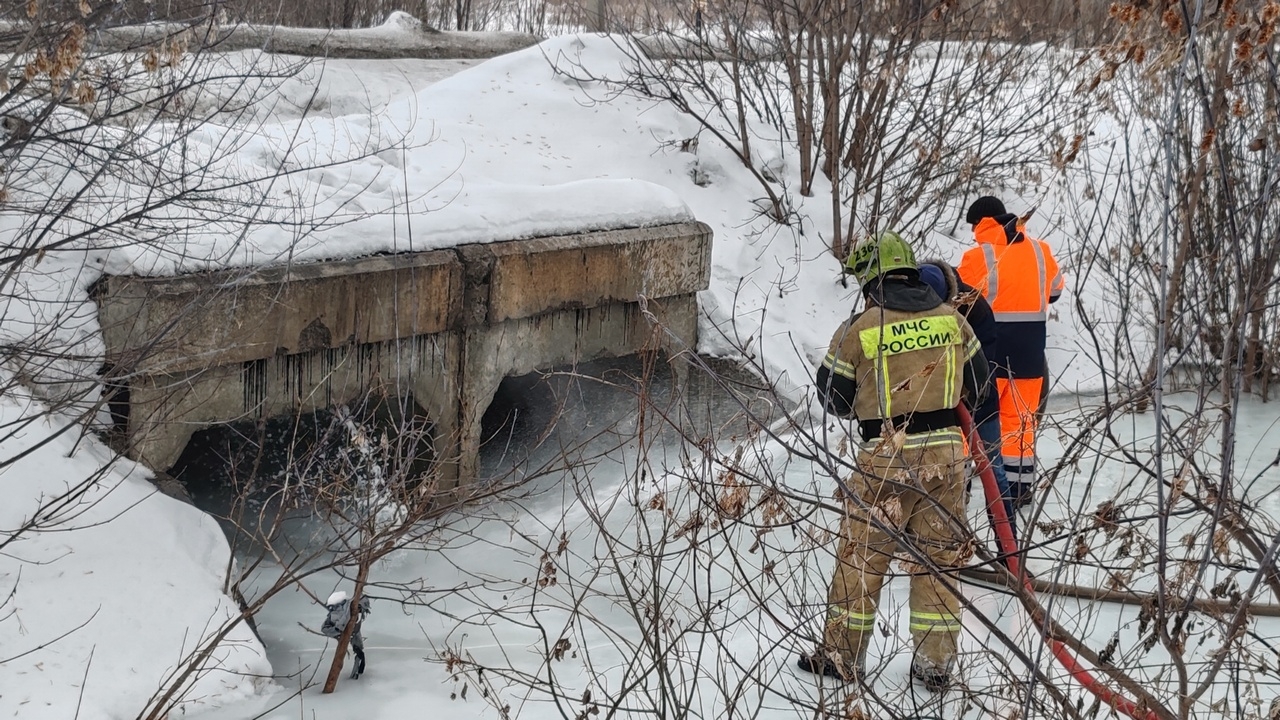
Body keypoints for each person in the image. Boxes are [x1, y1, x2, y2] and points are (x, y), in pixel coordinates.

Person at [799, 231, 989, 691]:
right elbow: (980, 387)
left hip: (883, 455)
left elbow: (834, 398)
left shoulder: (859, 329)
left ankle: (843, 657)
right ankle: (934, 665)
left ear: (870, 279)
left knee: (861, 556)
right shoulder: (954, 321)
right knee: (939, 561)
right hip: (946, 456)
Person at [957, 197, 1064, 508]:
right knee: (1020, 426)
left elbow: (959, 301)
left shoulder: (978, 256)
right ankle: (1018, 494)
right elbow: (1055, 290)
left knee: (971, 424)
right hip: (1030, 356)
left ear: (981, 223)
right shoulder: (1040, 251)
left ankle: (958, 490)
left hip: (988, 356)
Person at [918, 260, 1017, 541]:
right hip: (934, 408)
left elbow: (982, 365)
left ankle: (1008, 547)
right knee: (939, 475)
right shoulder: (911, 306)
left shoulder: (976, 307)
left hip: (978, 402)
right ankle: (942, 544)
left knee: (993, 472)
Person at [322, 590, 372, 679]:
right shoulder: (346, 608)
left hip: (351, 631)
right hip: (345, 630)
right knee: (357, 650)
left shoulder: (352, 607)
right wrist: (338, 629)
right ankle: (355, 672)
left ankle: (356, 672)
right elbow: (342, 620)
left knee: (359, 651)